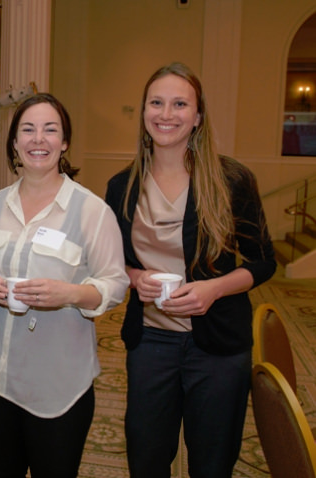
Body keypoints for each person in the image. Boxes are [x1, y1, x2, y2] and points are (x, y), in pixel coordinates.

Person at [104, 62, 276, 478]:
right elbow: (110, 261)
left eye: (180, 104)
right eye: (157, 103)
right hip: (149, 343)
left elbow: (264, 261)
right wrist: (135, 278)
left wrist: (213, 289)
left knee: (212, 461)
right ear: (144, 112)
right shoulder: (121, 185)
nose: (167, 114)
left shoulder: (231, 179)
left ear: (198, 116)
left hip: (218, 345)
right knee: (146, 457)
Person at [0, 93, 129, 478]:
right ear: (15, 143)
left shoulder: (91, 211)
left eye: (50, 130)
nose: (39, 139)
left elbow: (115, 283)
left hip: (57, 385)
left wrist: (69, 294)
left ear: (65, 142)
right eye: (28, 130)